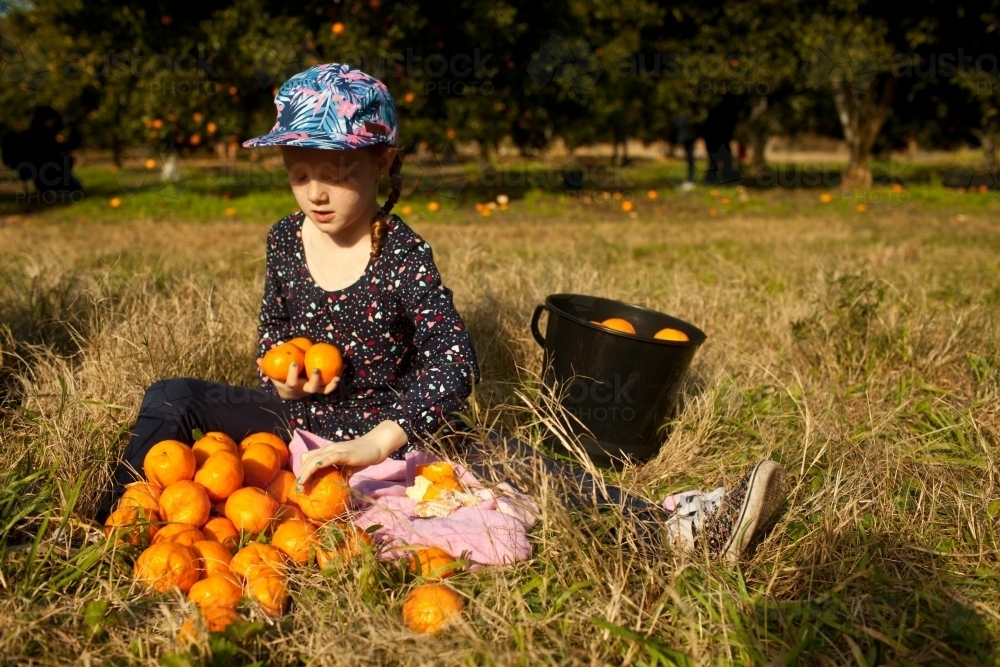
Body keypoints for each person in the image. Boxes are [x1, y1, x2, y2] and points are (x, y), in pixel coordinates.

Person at [100, 64, 786, 561]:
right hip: (300, 420)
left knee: (513, 462)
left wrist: (378, 444)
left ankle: (669, 526)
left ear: (381, 165)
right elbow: (273, 331)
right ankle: (121, 517)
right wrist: (283, 376)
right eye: (299, 168)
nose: (315, 190)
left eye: (336, 171)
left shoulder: (401, 253)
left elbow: (454, 361)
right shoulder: (284, 239)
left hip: (398, 429)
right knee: (173, 396)